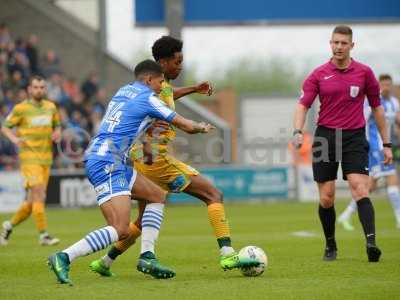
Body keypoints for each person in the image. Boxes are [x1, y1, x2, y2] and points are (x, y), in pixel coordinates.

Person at [89, 36, 259, 277]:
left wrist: (193, 89)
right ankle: (227, 254)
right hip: (156, 160)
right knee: (213, 194)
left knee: (143, 219)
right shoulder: (151, 94)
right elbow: (168, 112)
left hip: (143, 160)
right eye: (177, 62)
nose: (180, 66)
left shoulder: (159, 88)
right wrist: (198, 127)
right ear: (162, 63)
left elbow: (169, 93)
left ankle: (105, 261)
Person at [47, 59, 216, 285]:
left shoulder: (124, 90)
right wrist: (202, 127)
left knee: (156, 195)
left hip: (113, 159)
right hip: (107, 161)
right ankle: (64, 257)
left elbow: (157, 103)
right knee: (120, 229)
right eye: (159, 82)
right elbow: (184, 124)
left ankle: (147, 257)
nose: (161, 87)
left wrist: (192, 89)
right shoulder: (148, 98)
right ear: (148, 80)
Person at [292, 25, 392, 262]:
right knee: (327, 197)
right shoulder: (318, 74)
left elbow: (377, 108)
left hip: (355, 137)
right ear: (330, 44)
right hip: (326, 136)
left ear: (351, 46)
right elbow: (303, 105)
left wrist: (386, 143)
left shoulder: (365, 73)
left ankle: (371, 243)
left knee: (360, 187)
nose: (338, 47)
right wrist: (297, 130)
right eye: (335, 42)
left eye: (343, 43)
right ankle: (330, 245)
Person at [0, 75, 61, 246]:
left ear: (45, 89)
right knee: (39, 196)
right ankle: (44, 235)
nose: (39, 90)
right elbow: (5, 127)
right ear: (29, 89)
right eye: (36, 87)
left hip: (46, 159)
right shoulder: (21, 108)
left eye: (42, 87)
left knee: (31, 202)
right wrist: (14, 139)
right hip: (29, 159)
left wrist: (57, 132)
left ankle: (8, 226)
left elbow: (57, 125)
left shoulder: (51, 107)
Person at [338, 74, 400, 230]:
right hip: (374, 147)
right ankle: (399, 218)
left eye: (388, 84)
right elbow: (361, 121)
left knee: (369, 186)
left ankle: (345, 215)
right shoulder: (371, 101)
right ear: (378, 86)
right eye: (383, 84)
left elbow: (397, 124)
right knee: (391, 180)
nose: (386, 87)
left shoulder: (394, 103)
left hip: (386, 147)